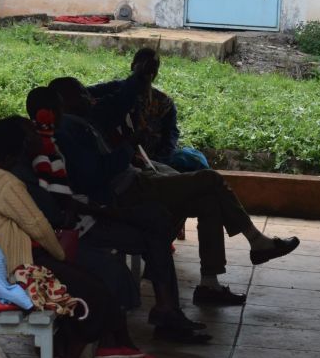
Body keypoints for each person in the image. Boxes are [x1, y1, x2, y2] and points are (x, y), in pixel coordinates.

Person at [49, 75, 301, 307]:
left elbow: (113, 93)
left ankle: (209, 285)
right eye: (81, 93)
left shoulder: (83, 120)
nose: (88, 96)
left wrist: (138, 79)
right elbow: (95, 175)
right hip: (129, 191)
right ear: (62, 101)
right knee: (210, 179)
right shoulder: (69, 129)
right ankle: (256, 241)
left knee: (208, 200)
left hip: (136, 179)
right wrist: (128, 147)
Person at [0, 117, 159, 358]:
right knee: (95, 291)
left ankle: (86, 351)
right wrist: (61, 254)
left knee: (89, 285)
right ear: (12, 156)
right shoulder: (5, 183)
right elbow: (38, 225)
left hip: (1, 260)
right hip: (17, 268)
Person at [24, 86, 210, 342]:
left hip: (87, 216)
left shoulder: (55, 138)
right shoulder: (45, 147)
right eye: (59, 109)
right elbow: (64, 204)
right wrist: (111, 212)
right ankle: (166, 312)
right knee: (153, 222)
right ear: (53, 112)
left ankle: (167, 310)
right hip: (78, 229)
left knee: (155, 220)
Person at [89, 47, 208, 173]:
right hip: (118, 161)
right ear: (132, 66)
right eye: (144, 66)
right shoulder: (112, 90)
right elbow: (82, 94)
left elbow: (170, 138)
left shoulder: (164, 103)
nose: (148, 72)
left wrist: (158, 161)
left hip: (153, 162)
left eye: (153, 69)